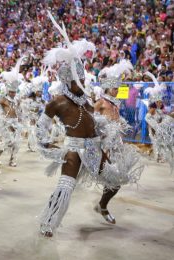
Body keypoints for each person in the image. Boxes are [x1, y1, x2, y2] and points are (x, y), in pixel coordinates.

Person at [36, 12, 139, 237]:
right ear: (66, 80)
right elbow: (40, 128)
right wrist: (46, 146)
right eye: (76, 80)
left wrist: (106, 131)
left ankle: (102, 206)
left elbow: (94, 122)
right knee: (65, 189)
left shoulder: (87, 98)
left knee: (116, 180)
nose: (81, 83)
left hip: (95, 148)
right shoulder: (57, 102)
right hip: (73, 149)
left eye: (82, 79)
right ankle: (48, 222)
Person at [94, 59, 144, 223]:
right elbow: (92, 120)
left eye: (118, 88)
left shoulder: (116, 104)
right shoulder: (100, 102)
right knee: (112, 178)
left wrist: (121, 123)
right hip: (103, 146)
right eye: (114, 88)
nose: (116, 91)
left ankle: (102, 204)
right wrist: (102, 130)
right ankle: (103, 206)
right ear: (107, 87)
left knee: (119, 178)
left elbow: (116, 119)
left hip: (117, 145)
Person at [0, 57, 24, 167]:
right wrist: (6, 124)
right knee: (8, 142)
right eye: (11, 92)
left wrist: (20, 120)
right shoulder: (3, 100)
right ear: (8, 91)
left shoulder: (17, 99)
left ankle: (12, 160)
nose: (13, 94)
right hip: (6, 122)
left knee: (16, 143)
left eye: (14, 92)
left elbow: (19, 111)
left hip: (16, 122)